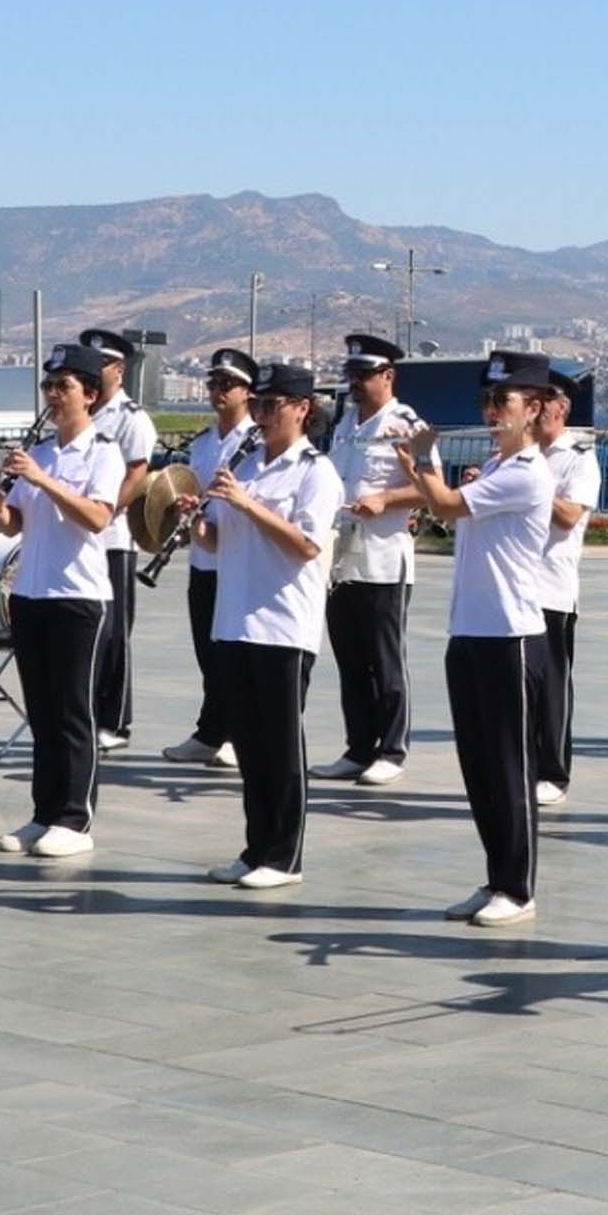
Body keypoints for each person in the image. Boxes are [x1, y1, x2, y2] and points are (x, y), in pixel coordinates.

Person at [395, 349, 558, 928]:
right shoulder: (493, 467)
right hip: (470, 630)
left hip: (510, 636)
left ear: (533, 408)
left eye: (503, 401)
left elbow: (442, 503)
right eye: (487, 401)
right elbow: (444, 511)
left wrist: (426, 456)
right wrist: (416, 466)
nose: (490, 411)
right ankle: (496, 878)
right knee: (479, 767)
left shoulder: (525, 472)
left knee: (510, 769)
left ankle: (518, 887)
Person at [200, 361, 344, 890]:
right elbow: (215, 541)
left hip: (283, 626)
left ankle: (284, 856)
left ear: (302, 409)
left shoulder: (316, 472)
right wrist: (193, 517)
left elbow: (306, 545)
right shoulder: (248, 464)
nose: (260, 416)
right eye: (257, 406)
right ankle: (254, 846)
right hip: (235, 619)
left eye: (270, 406)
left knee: (281, 747)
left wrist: (248, 504)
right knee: (250, 745)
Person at [0, 342, 128, 857]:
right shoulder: (40, 451)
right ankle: (44, 812)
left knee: (73, 711)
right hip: (31, 592)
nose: (52, 395)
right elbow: (15, 523)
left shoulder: (103, 452)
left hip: (78, 597)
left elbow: (97, 516)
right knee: (41, 712)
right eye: (49, 386)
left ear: (89, 395)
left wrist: (43, 481)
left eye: (63, 386)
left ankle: (75, 817)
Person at [318, 333, 420, 786]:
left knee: (385, 659)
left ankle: (391, 749)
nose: (355, 384)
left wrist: (387, 498)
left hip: (382, 559)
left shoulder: (406, 425)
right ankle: (358, 747)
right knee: (350, 659)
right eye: (351, 376)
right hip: (342, 560)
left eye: (363, 376)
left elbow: (431, 489)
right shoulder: (345, 425)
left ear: (388, 376)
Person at [161, 349, 259, 768]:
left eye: (227, 384)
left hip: (239, 560)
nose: (217, 391)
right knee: (208, 650)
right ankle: (211, 730)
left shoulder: (257, 442)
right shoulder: (203, 443)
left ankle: (240, 733)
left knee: (237, 655)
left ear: (248, 392)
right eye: (213, 384)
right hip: (204, 558)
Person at [80, 328, 158, 755]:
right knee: (89, 629)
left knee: (113, 633)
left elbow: (137, 473)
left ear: (119, 369)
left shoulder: (131, 418)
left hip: (113, 536)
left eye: (101, 364)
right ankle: (88, 712)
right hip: (79, 537)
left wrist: (106, 511)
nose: (93, 372)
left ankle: (116, 719)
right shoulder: (82, 411)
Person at [529, 362, 599, 807]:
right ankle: (522, 765)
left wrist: (528, 484)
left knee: (552, 685)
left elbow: (570, 514)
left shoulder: (579, 456)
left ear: (561, 408)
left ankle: (554, 771)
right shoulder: (518, 452)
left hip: (552, 586)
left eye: (543, 404)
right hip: (513, 586)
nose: (535, 413)